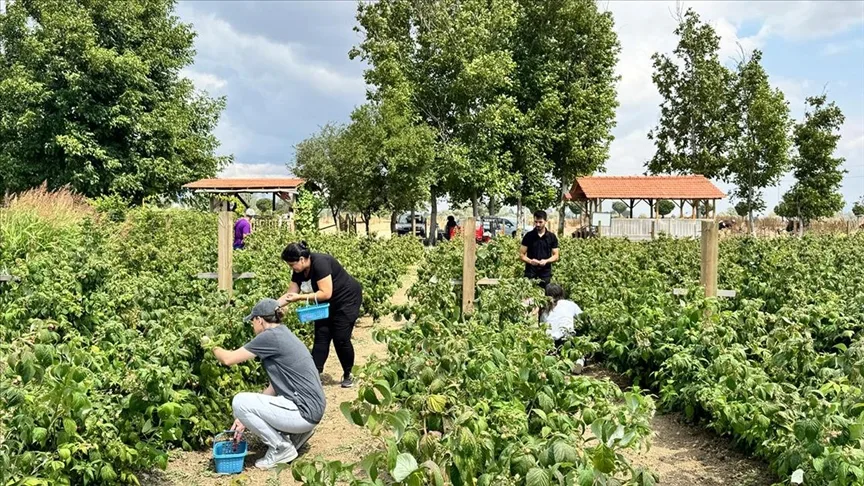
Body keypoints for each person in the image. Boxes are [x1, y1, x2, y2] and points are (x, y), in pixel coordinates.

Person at [211, 298, 325, 470]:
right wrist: (244, 418)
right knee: (245, 406)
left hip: (304, 412)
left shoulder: (269, 337)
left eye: (252, 321)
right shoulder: (283, 333)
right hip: (313, 408)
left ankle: (281, 448)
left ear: (259, 320)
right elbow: (274, 386)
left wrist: (211, 345)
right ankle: (297, 435)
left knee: (239, 401)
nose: (252, 325)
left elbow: (228, 359)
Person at [278, 242, 363, 388]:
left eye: (292, 265)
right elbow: (290, 294)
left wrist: (300, 298)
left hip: (347, 300)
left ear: (302, 259)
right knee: (321, 336)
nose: (292, 268)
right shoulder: (299, 271)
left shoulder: (320, 263)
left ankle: (349, 373)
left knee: (341, 338)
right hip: (326, 303)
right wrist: (275, 306)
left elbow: (325, 293)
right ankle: (314, 375)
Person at [539, 284, 585, 372]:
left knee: (553, 356)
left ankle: (557, 361)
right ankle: (578, 360)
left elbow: (542, 326)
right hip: (567, 338)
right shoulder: (570, 304)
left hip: (551, 342)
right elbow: (582, 317)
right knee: (577, 343)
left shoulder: (545, 309)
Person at [520, 210, 559, 288]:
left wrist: (546, 261)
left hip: (545, 274)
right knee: (529, 294)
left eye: (540, 222)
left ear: (545, 221)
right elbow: (521, 255)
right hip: (530, 273)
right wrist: (530, 261)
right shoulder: (528, 236)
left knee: (545, 294)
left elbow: (556, 256)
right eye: (536, 222)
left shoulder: (551, 237)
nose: (537, 224)